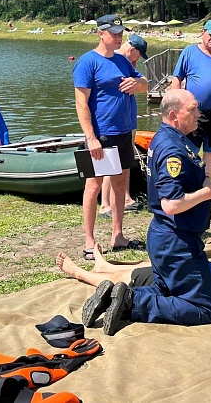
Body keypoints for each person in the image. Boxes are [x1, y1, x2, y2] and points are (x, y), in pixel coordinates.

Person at [89, 89, 211, 335]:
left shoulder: (168, 139)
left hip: (166, 237)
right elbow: (171, 203)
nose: (198, 115)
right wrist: (206, 192)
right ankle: (133, 302)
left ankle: (116, 296)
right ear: (174, 115)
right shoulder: (172, 150)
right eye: (192, 110)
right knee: (204, 308)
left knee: (166, 292)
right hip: (177, 240)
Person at [73, 15, 148, 259]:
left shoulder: (121, 61)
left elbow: (144, 82)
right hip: (101, 135)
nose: (118, 37)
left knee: (119, 183)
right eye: (113, 33)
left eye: (120, 33)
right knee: (93, 186)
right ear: (100, 34)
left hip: (124, 132)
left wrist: (138, 85)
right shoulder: (87, 63)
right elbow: (81, 103)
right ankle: (89, 241)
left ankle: (118, 235)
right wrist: (91, 137)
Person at [55, 248, 211, 322]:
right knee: (137, 269)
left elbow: (203, 303)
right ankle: (104, 265)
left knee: (130, 278)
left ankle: (80, 274)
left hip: (177, 280)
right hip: (187, 268)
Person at [171, 20, 211, 205]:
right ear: (202, 33)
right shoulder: (189, 52)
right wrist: (177, 108)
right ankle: (186, 188)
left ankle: (205, 189)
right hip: (194, 112)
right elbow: (177, 79)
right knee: (189, 150)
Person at [98, 33, 149, 219]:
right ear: (132, 49)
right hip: (110, 125)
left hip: (127, 120)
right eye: (139, 55)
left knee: (124, 162)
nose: (139, 60)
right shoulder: (110, 61)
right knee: (109, 165)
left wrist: (137, 82)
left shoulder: (125, 63)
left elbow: (145, 84)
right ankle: (104, 204)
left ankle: (125, 198)